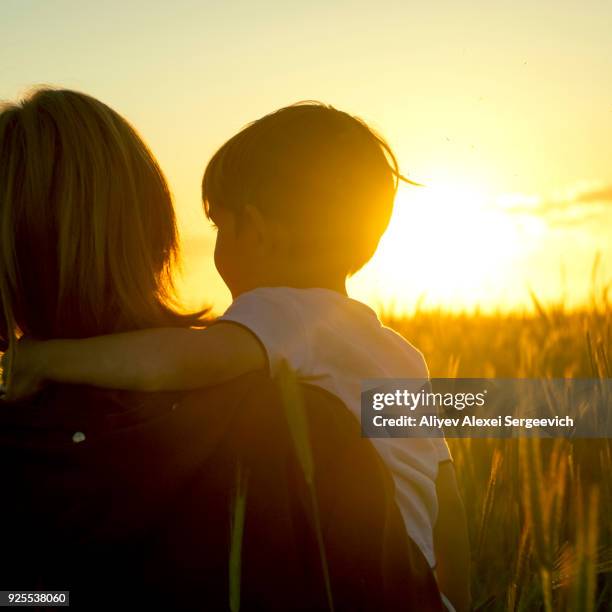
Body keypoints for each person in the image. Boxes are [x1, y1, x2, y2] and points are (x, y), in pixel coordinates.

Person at [3, 101, 469, 610]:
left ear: (256, 229)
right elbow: (446, 500)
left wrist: (43, 359)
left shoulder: (280, 322)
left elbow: (171, 363)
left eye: (219, 225)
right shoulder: (398, 354)